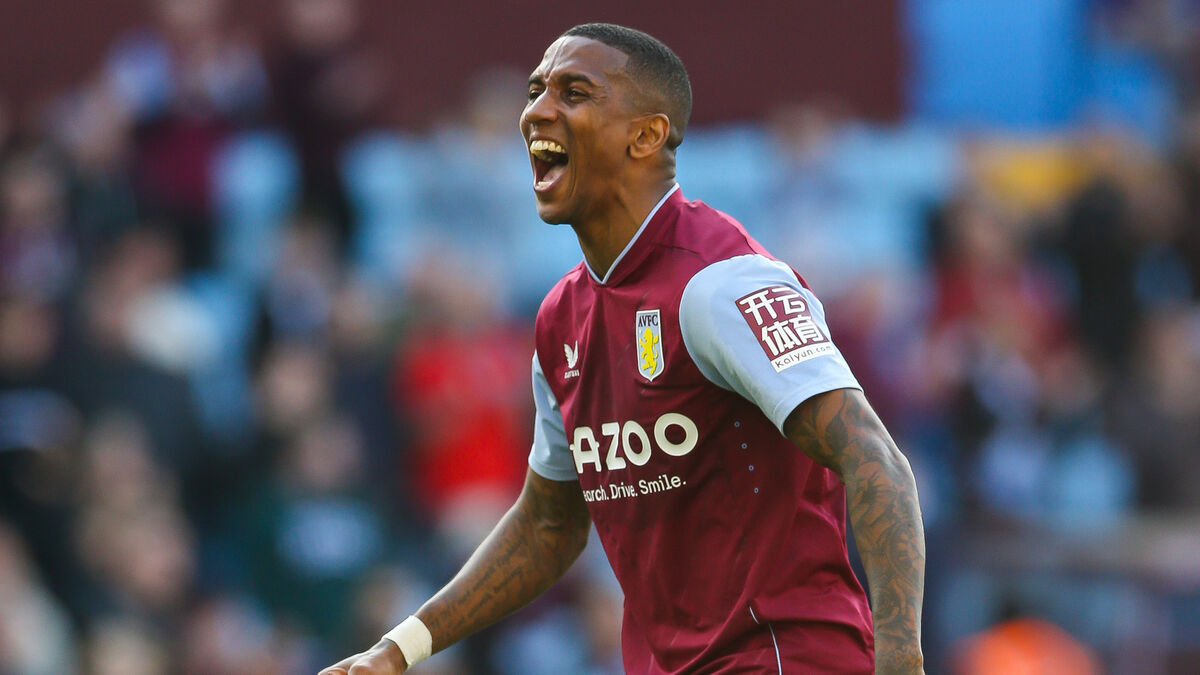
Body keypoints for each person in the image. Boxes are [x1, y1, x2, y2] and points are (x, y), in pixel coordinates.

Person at [321, 23, 925, 674]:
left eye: (573, 93)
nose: (536, 112)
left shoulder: (723, 284)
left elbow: (875, 459)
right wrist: (399, 648)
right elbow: (549, 525)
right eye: (535, 92)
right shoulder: (560, 320)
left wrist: (900, 661)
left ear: (646, 135)